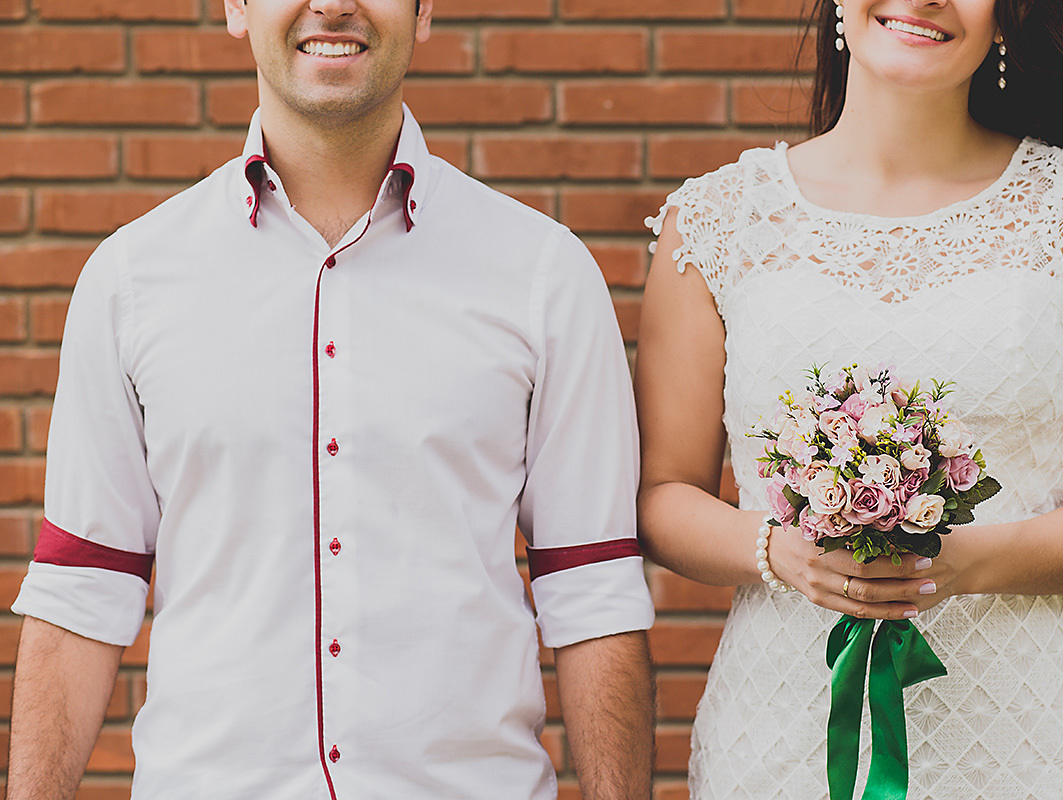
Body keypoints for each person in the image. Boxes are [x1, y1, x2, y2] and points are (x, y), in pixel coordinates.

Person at [6, 1, 656, 798]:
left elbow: (592, 590)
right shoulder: (131, 281)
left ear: (425, 13)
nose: (335, 3)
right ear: (237, 7)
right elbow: (83, 588)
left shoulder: (544, 276)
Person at [636, 0, 1063, 797]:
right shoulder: (718, 221)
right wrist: (781, 553)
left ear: (1008, 17)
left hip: (1026, 742)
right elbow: (663, 497)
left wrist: (963, 562)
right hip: (781, 735)